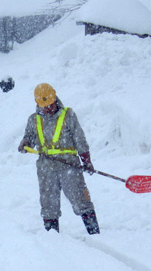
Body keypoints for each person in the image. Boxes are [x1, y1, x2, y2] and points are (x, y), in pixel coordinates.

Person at [18, 83, 99, 234]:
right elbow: (29, 137)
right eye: (44, 106)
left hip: (69, 166)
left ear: (55, 98)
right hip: (46, 169)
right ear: (38, 104)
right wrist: (25, 143)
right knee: (49, 206)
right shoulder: (33, 120)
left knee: (81, 200)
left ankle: (94, 233)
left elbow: (80, 140)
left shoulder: (68, 116)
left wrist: (86, 161)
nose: (48, 109)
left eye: (50, 104)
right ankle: (52, 239)